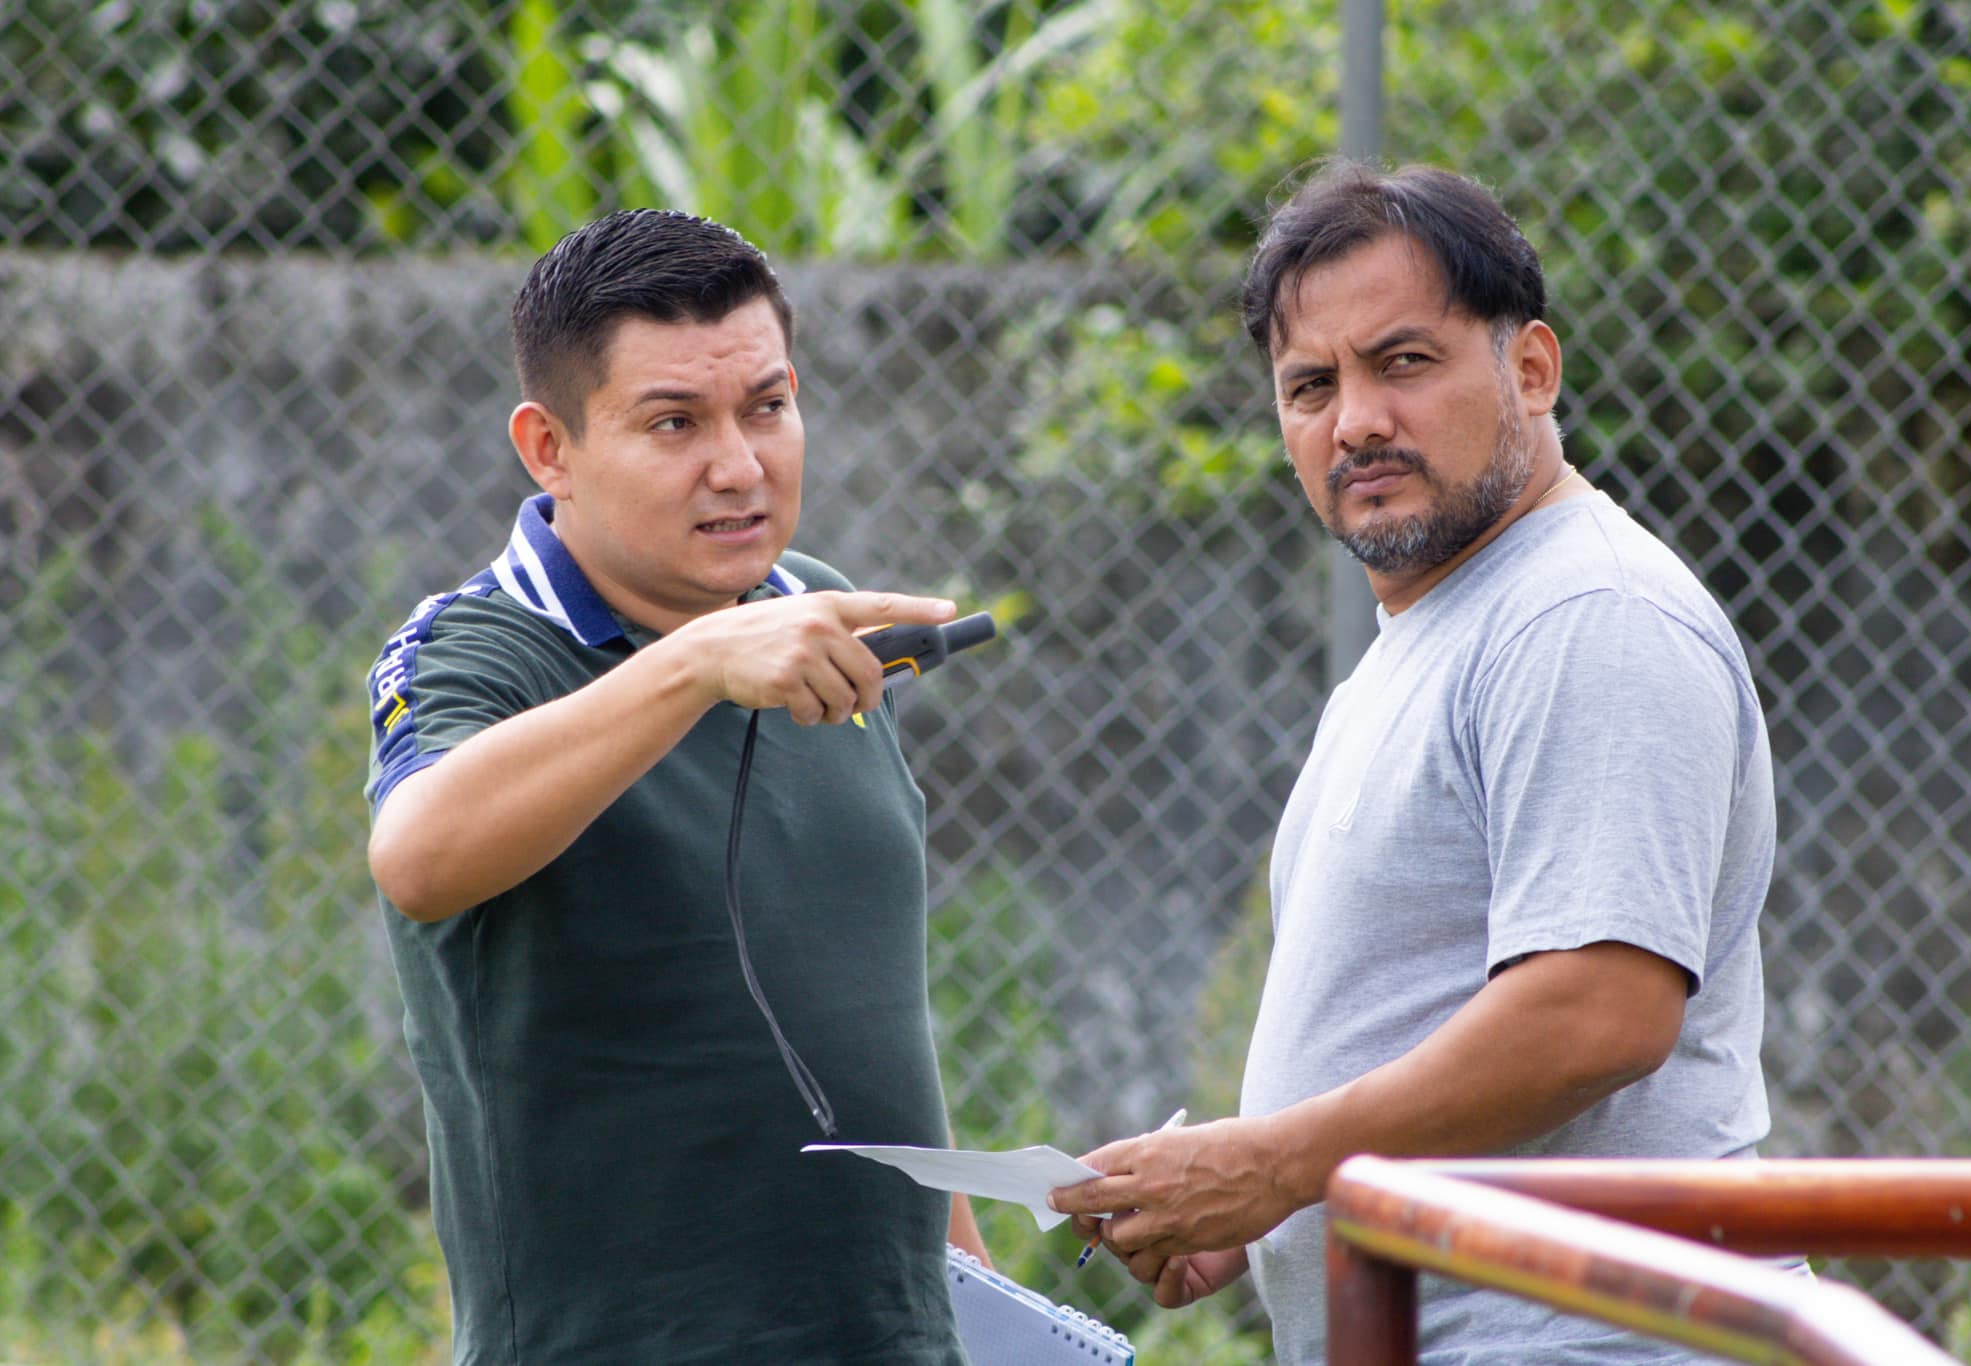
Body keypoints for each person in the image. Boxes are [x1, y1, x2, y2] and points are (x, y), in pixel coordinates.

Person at [1048, 161, 1783, 1363]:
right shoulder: (1436, 632)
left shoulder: (1585, 613)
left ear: (1529, 369)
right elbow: (1422, 1018)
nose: (1354, 422)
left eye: (1401, 362)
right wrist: (1251, 1202)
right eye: (1309, 385)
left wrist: (1273, 1162)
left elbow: (1596, 1010)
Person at [362, 208, 984, 1364]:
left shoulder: (816, 616)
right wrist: (695, 664)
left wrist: (971, 1300)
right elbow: (418, 856)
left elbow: (867, 1016)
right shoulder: (476, 650)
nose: (739, 466)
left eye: (768, 406)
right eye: (673, 422)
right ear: (549, 448)